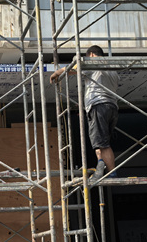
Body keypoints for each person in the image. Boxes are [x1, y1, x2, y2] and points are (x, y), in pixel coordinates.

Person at [50, 45, 118, 179]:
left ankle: (112, 173)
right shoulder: (112, 68)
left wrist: (57, 73)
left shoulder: (94, 62)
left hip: (98, 105)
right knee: (99, 141)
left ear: (91, 54)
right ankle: (100, 164)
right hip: (112, 107)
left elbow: (73, 69)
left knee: (103, 144)